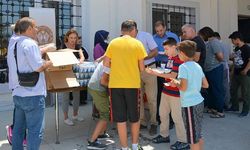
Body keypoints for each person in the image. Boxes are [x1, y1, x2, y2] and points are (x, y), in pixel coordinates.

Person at [7, 17, 52, 150]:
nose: (37, 30)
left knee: (18, 130)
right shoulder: (30, 43)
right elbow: (38, 67)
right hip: (33, 94)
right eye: (35, 27)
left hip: (18, 93)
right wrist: (49, 63)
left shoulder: (13, 43)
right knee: (35, 131)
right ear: (29, 29)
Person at [103, 20, 147, 150]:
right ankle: (134, 145)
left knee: (120, 119)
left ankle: (124, 147)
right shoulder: (138, 44)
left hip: (115, 85)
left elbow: (106, 63)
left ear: (122, 31)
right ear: (133, 30)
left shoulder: (113, 43)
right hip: (132, 85)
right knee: (134, 117)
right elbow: (142, 68)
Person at [146, 38, 189, 150]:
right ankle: (164, 135)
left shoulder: (179, 59)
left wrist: (154, 73)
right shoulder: (170, 58)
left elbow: (172, 76)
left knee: (177, 118)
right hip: (166, 91)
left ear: (174, 47)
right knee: (163, 114)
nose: (165, 52)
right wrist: (160, 71)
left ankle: (183, 141)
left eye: (166, 49)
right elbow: (168, 72)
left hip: (176, 94)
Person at [171, 40, 209, 150]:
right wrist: (194, 83)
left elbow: (183, 87)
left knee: (192, 138)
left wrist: (175, 83)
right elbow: (206, 85)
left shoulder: (183, 67)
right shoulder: (197, 66)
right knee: (198, 133)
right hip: (199, 103)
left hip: (189, 106)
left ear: (182, 53)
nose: (178, 55)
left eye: (178, 53)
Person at [153, 21, 179, 126]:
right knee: (160, 92)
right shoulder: (153, 38)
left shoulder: (172, 36)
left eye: (161, 30)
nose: (159, 33)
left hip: (172, 64)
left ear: (165, 28)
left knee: (172, 92)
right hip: (159, 65)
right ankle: (160, 117)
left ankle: (172, 120)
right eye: (157, 31)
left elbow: (177, 48)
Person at [60, 29, 86, 126]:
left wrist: (81, 60)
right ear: (67, 37)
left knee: (77, 95)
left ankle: (75, 115)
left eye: (75, 38)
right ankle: (66, 117)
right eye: (71, 38)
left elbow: (82, 57)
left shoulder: (78, 46)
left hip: (76, 73)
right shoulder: (63, 46)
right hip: (65, 73)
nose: (73, 40)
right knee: (65, 96)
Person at [198, 26, 225, 118]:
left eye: (201, 35)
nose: (201, 37)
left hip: (215, 69)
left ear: (206, 34)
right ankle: (213, 108)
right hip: (209, 70)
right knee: (211, 90)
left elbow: (220, 57)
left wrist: (214, 62)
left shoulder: (214, 42)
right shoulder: (209, 42)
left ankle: (220, 111)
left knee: (217, 90)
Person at [136, 29, 158, 135]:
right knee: (139, 97)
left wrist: (143, 57)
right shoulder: (127, 38)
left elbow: (155, 51)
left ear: (134, 29)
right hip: (135, 70)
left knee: (151, 98)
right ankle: (142, 122)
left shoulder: (146, 35)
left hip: (149, 68)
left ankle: (154, 122)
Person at [87, 61, 111, 149]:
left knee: (104, 112)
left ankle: (101, 134)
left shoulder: (108, 58)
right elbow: (103, 82)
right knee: (105, 115)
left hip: (95, 87)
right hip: (98, 89)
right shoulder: (110, 63)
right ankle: (92, 142)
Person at [226, 31, 250, 117]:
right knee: (233, 90)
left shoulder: (246, 48)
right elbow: (235, 60)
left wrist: (246, 70)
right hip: (236, 72)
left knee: (245, 93)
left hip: (245, 74)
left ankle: (245, 110)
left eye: (232, 40)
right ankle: (234, 106)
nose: (232, 42)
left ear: (237, 39)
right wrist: (232, 70)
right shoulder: (236, 48)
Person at [213, 32, 231, 109]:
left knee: (222, 86)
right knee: (225, 85)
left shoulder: (218, 45)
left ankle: (224, 103)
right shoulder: (226, 45)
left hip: (220, 66)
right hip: (225, 66)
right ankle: (225, 103)